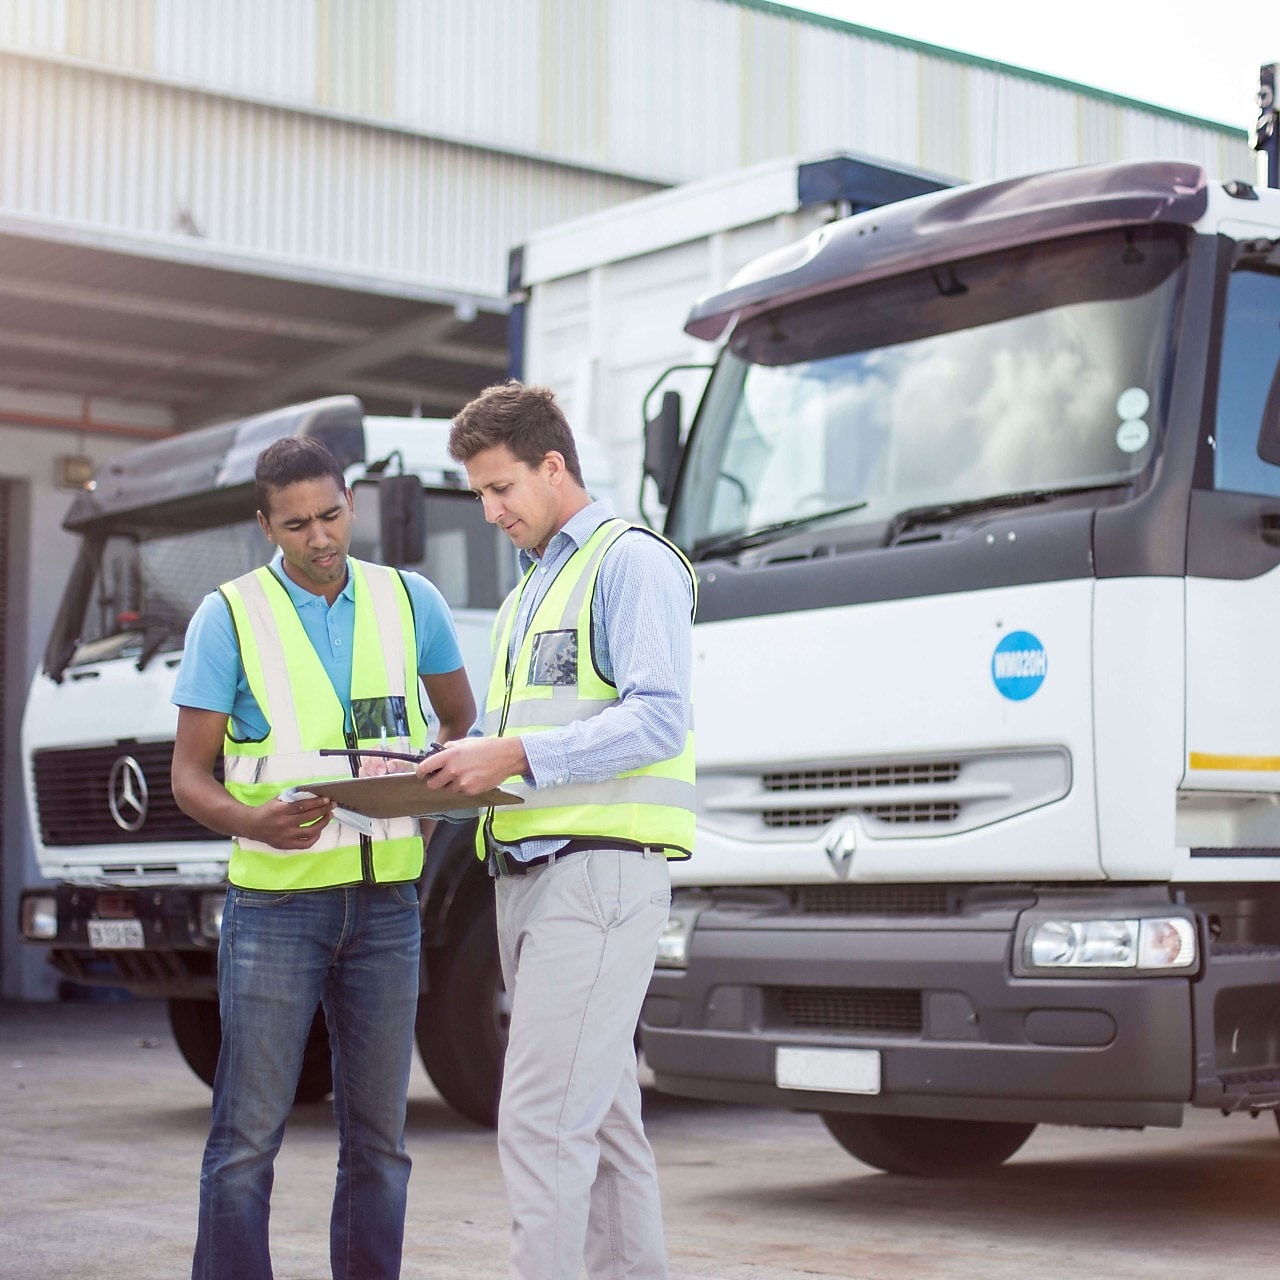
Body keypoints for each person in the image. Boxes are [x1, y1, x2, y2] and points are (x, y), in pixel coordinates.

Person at [171, 436, 475, 1280]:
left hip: (387, 908)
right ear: (264, 523)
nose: (320, 538)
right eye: (297, 524)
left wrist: (427, 802)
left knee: (381, 1142)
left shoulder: (412, 602)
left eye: (333, 515)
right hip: (277, 906)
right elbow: (189, 776)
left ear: (352, 502)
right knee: (246, 1138)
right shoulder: (227, 616)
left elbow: (460, 724)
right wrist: (251, 821)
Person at [416, 381, 696, 1280]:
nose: (491, 511)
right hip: (533, 880)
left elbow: (660, 720)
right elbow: (517, 743)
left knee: (539, 1127)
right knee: (602, 1129)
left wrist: (515, 754)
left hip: (598, 879)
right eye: (479, 496)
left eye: (501, 490)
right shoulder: (532, 590)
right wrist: (447, 763)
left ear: (553, 465)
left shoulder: (628, 562)